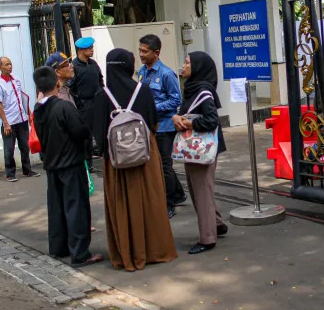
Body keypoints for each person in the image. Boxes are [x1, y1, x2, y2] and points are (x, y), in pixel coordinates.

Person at [91, 48, 178, 272]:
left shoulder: (102, 95)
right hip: (145, 156)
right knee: (150, 201)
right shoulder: (143, 90)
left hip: (116, 161)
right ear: (129, 66)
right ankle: (154, 249)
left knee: (123, 204)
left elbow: (99, 135)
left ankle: (127, 254)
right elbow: (153, 122)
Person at [32, 66, 102, 268]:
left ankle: (58, 247)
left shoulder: (39, 109)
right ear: (57, 83)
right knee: (76, 209)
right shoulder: (64, 107)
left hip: (52, 164)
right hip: (71, 163)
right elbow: (81, 131)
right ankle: (79, 253)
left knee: (57, 208)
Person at [172, 52, 227, 255]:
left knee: (201, 192)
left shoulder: (203, 91)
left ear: (198, 67)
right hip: (194, 148)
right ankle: (217, 224)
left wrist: (190, 123)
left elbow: (211, 120)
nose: (183, 66)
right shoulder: (192, 88)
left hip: (202, 148)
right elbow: (188, 111)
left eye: (187, 63)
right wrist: (178, 117)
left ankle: (208, 238)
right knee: (199, 190)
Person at [46, 51, 97, 234]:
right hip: (68, 156)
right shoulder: (56, 96)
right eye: (66, 64)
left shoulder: (66, 89)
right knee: (73, 197)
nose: (71, 66)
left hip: (71, 154)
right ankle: (76, 231)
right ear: (57, 72)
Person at [138, 34, 186, 219]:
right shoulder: (142, 72)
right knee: (158, 165)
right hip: (150, 126)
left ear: (156, 53)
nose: (141, 54)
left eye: (145, 51)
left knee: (164, 166)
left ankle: (168, 203)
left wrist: (152, 108)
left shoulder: (166, 74)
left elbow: (176, 100)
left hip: (165, 126)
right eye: (140, 50)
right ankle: (179, 193)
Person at [0, 57, 39, 182]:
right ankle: (10, 173)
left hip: (21, 119)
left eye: (10, 64)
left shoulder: (16, 81)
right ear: (0, 67)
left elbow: (22, 98)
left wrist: (29, 114)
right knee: (9, 149)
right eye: (6, 65)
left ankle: (27, 170)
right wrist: (6, 123)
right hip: (9, 122)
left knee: (25, 146)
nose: (9, 67)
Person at [70, 36, 104, 171]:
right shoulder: (74, 66)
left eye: (92, 48)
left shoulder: (93, 64)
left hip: (97, 102)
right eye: (89, 48)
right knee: (86, 136)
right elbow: (71, 88)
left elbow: (100, 81)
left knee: (100, 131)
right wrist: (78, 104)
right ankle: (87, 163)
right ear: (81, 50)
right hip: (84, 105)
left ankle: (102, 156)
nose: (92, 50)